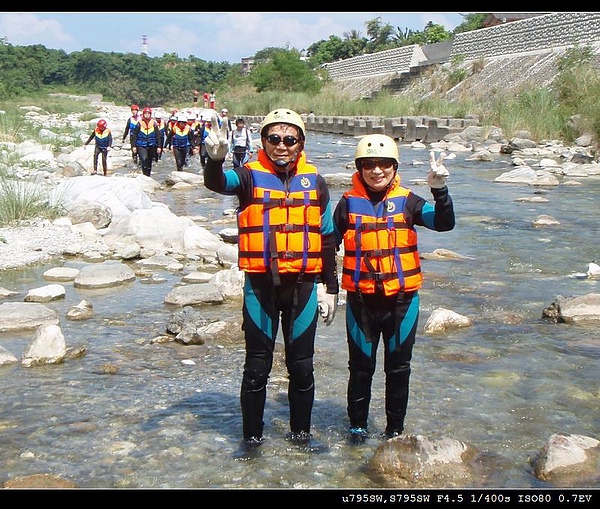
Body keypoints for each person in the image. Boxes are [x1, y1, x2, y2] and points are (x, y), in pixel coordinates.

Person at [203, 108, 339, 451]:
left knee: (303, 368)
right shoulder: (248, 176)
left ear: (301, 143)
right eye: (273, 139)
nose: (281, 146)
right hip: (261, 286)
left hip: (304, 286)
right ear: (263, 142)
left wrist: (331, 288)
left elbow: (324, 239)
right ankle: (251, 441)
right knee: (256, 368)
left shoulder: (316, 183)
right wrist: (214, 161)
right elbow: (218, 183)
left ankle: (300, 438)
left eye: (289, 139)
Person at [332, 134, 455, 444]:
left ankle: (394, 431)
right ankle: (357, 429)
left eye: (384, 164)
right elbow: (327, 245)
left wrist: (440, 191)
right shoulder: (347, 203)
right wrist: (327, 288)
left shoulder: (409, 201)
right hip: (361, 303)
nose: (377, 171)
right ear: (359, 168)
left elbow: (443, 223)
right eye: (369, 165)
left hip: (401, 303)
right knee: (360, 368)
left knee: (398, 369)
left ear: (394, 166)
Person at [130, 107, 164, 177]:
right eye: (145, 113)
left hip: (151, 145)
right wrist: (133, 146)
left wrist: (159, 146)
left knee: (149, 161)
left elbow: (158, 136)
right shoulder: (139, 123)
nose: (147, 115)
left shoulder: (154, 124)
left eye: (148, 113)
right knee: (144, 159)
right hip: (141, 145)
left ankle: (148, 175)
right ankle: (144, 173)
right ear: (143, 114)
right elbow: (134, 135)